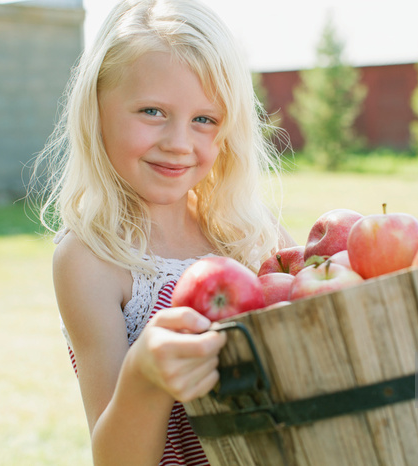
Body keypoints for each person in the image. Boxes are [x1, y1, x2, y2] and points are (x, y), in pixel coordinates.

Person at [30, 0, 296, 464]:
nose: (178, 143)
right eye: (152, 111)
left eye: (204, 120)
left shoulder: (253, 235)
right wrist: (145, 378)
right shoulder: (91, 259)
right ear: (96, 108)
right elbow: (116, 458)